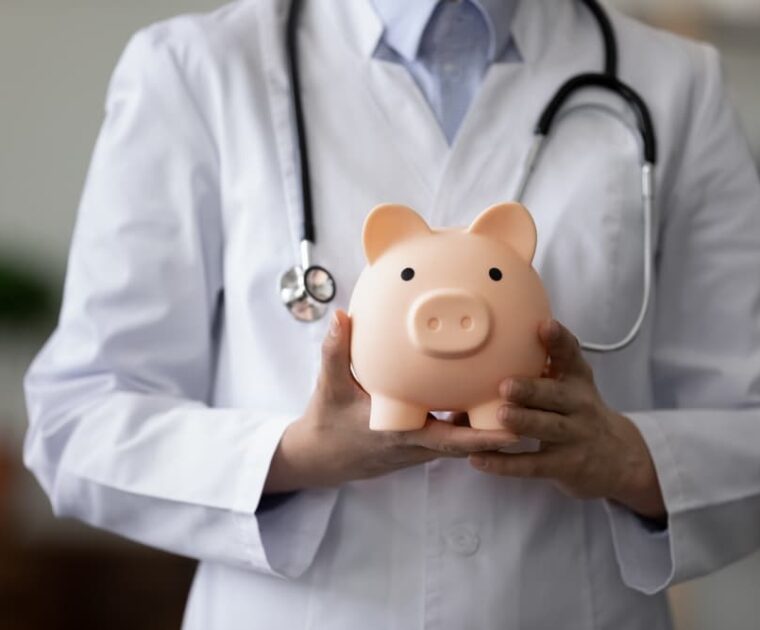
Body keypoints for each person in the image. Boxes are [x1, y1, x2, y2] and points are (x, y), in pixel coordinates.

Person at [23, 0, 760, 628]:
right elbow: (78, 421)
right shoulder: (196, 69)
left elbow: (748, 417)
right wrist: (294, 456)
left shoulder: (674, 84)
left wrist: (629, 460)